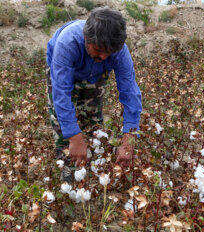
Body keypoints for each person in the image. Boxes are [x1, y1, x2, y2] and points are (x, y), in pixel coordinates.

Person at [46, 7, 142, 182]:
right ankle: (68, 165)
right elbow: (61, 94)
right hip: (65, 68)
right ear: (86, 38)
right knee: (61, 122)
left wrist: (129, 138)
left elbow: (130, 93)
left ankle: (92, 163)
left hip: (96, 73)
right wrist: (74, 137)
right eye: (98, 50)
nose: (104, 56)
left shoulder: (118, 52)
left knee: (92, 118)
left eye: (109, 53)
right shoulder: (67, 43)